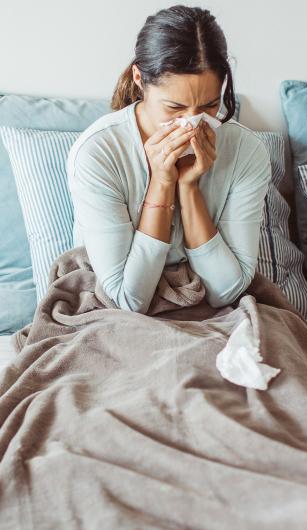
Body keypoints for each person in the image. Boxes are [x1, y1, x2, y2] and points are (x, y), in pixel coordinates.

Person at [67, 5, 271, 314]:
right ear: (139, 78)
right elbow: (128, 300)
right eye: (175, 107)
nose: (193, 122)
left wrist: (189, 189)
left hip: (213, 311)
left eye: (209, 105)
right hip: (117, 314)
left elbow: (226, 291)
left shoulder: (245, 151)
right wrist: (162, 182)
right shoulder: (99, 153)